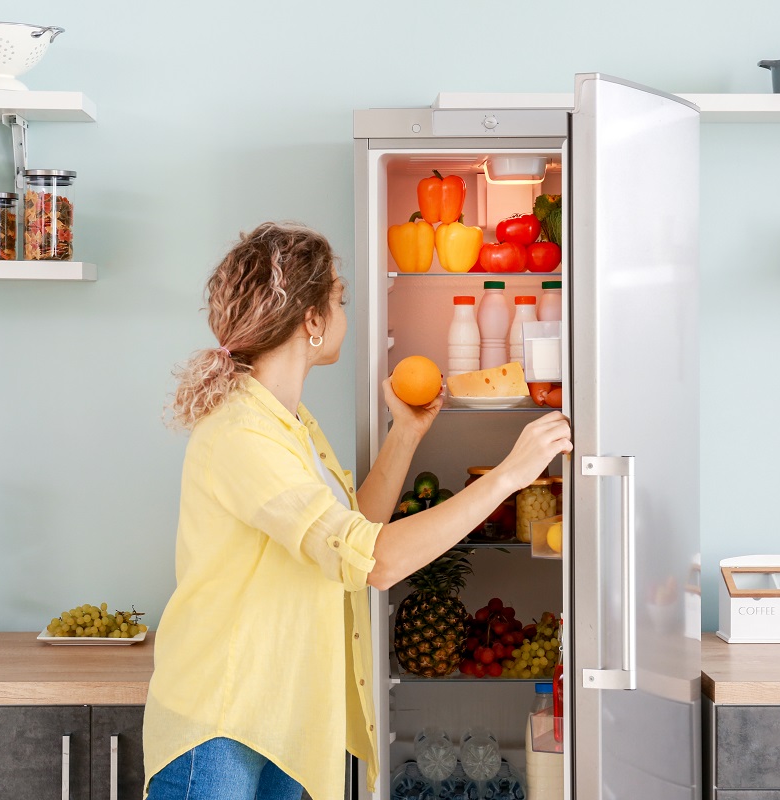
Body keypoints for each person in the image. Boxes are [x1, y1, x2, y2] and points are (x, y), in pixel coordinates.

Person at [143, 222, 572, 800]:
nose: (350, 311)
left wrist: (406, 434)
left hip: (283, 713)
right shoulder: (242, 432)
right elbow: (375, 562)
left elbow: (351, 534)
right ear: (312, 322)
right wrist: (509, 476)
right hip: (223, 721)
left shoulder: (290, 421)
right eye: (340, 299)